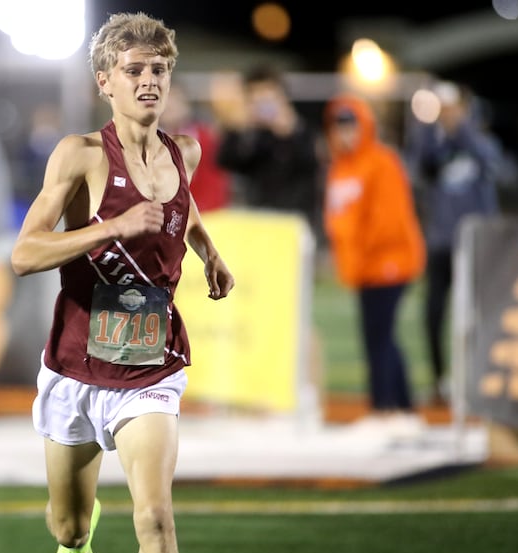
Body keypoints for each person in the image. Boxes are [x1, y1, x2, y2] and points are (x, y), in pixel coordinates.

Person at [10, 12, 235, 553]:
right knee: (67, 525)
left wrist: (208, 249)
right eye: (133, 70)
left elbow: (180, 208)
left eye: (159, 69)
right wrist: (112, 227)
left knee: (156, 520)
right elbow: (24, 254)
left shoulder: (184, 152)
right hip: (77, 364)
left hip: (150, 366)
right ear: (104, 82)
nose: (149, 81)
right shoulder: (80, 155)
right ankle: (76, 548)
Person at [322, 93, 427, 441]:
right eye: (340, 127)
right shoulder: (341, 166)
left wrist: (360, 253)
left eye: (351, 126)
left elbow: (388, 220)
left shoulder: (382, 162)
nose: (346, 134)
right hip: (365, 266)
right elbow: (338, 219)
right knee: (380, 336)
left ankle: (385, 408)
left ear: (364, 126)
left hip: (388, 262)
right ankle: (402, 408)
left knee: (378, 337)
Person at [406, 80, 501, 407]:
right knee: (433, 314)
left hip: (474, 243)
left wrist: (462, 128)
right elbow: (417, 169)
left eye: (452, 107)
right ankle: (439, 382)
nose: (446, 114)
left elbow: (493, 164)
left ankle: (477, 380)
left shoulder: (477, 141)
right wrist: (433, 129)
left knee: (477, 315)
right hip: (440, 243)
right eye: (443, 108)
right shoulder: (432, 141)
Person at [212, 63, 326, 247]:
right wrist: (241, 130)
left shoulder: (302, 131)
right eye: (256, 98)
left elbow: (311, 166)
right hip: (258, 226)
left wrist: (290, 133)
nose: (263, 105)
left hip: (294, 226)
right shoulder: (251, 135)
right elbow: (225, 161)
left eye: (268, 97)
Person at [160, 83, 232, 213]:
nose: (169, 106)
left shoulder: (207, 137)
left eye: (175, 101)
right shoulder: (146, 141)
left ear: (186, 105)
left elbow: (217, 181)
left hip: (207, 215)